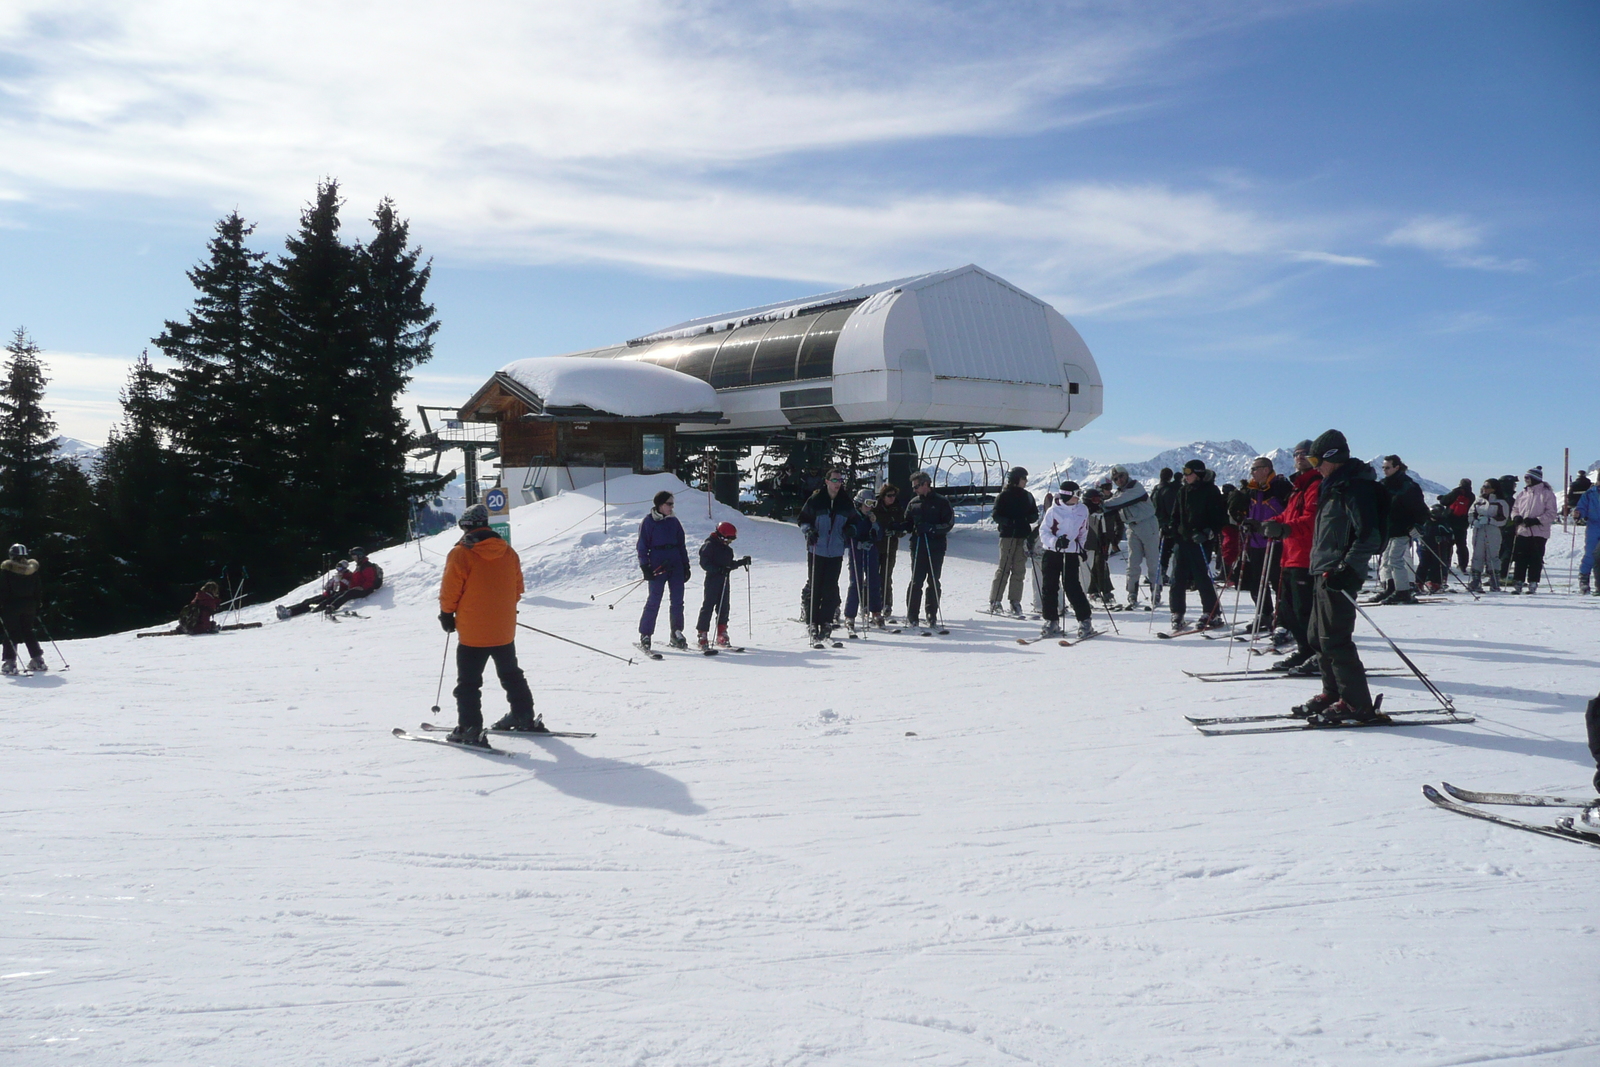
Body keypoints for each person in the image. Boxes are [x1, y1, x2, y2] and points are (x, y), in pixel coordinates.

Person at [1295, 429, 1385, 725]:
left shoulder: (1354, 487)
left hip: (1340, 573)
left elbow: (1370, 536)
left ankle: (1356, 703)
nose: (1313, 465)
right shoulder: (1332, 486)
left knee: (1335, 639)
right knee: (1316, 638)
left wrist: (1347, 568)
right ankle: (1332, 692)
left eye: (1316, 459)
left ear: (1332, 457)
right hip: (1323, 570)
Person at [439, 503, 537, 744]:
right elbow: (518, 589)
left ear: (466, 527)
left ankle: (470, 728)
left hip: (473, 631)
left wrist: (446, 614)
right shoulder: (508, 551)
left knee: (469, 683)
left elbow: (451, 589)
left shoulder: (461, 553)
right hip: (504, 629)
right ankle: (523, 716)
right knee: (511, 674)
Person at [1262, 440, 1321, 674]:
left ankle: (1316, 654)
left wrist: (1285, 529)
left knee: (1304, 609)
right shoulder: (1299, 486)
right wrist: (1265, 525)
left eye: (1304, 454)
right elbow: (1287, 515)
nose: (1299, 457)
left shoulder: (1315, 484)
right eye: (1296, 454)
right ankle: (1305, 651)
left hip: (1305, 556)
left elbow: (1312, 518)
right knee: (1288, 610)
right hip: (1290, 555)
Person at [798, 469, 866, 642]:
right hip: (816, 549)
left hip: (836, 550)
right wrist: (809, 531)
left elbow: (856, 522)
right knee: (815, 585)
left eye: (840, 480)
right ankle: (812, 621)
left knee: (830, 586)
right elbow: (803, 519)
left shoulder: (845, 502)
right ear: (827, 481)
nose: (838, 483)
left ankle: (826, 620)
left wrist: (851, 530)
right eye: (834, 480)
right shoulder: (816, 500)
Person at [1168, 459, 1225, 632]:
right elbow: (1175, 514)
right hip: (1183, 540)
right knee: (1177, 577)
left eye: (1188, 472)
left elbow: (1220, 518)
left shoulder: (1211, 491)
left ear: (1198, 473)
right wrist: (1170, 528)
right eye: (1184, 472)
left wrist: (1207, 533)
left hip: (1200, 541)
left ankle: (1212, 611)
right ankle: (1177, 611)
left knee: (1201, 576)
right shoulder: (1183, 491)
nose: (1185, 476)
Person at [1238, 456, 1291, 633]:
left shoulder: (1280, 487)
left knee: (1278, 581)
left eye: (1255, 469)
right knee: (1256, 582)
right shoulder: (1252, 490)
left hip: (1275, 541)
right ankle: (1264, 614)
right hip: (1256, 541)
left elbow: (1287, 513)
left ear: (1266, 469)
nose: (1252, 472)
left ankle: (1284, 618)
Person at [1038, 481, 1096, 639]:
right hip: (1052, 552)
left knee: (1072, 586)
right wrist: (1055, 542)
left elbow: (1083, 531)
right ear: (1068, 495)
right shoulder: (1053, 511)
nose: (1079, 497)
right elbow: (1043, 532)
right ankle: (1051, 620)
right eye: (1077, 494)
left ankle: (1085, 620)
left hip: (1071, 553)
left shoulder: (1082, 510)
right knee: (1049, 586)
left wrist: (1081, 549)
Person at [1367, 455, 1426, 605]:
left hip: (1402, 528)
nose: (1385, 470)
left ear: (1396, 467)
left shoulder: (1408, 485)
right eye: (1383, 467)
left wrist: (1417, 524)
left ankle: (1403, 591)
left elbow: (1420, 508)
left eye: (1387, 467)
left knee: (1395, 559)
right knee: (1385, 560)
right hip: (1388, 529)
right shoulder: (1384, 485)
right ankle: (1390, 587)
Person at [638, 490, 692, 650]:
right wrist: (644, 566)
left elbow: (682, 545)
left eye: (672, 504)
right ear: (660, 505)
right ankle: (646, 634)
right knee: (654, 600)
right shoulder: (648, 522)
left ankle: (676, 632)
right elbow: (642, 546)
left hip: (675, 563)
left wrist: (686, 565)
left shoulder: (674, 522)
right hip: (657, 562)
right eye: (669, 504)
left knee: (677, 600)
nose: (671, 507)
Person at [902, 470, 955, 629]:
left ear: (926, 484)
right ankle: (912, 614)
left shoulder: (942, 502)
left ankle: (931, 613)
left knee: (933, 580)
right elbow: (908, 523)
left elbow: (949, 523)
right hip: (918, 546)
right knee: (916, 580)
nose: (915, 489)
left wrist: (932, 529)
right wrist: (899, 527)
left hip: (936, 547)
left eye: (917, 486)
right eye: (914, 487)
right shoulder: (913, 503)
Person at [1103, 464, 1160, 610]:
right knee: (1133, 562)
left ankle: (1156, 591)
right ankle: (1132, 592)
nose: (1119, 480)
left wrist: (1100, 504)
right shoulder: (1120, 493)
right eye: (1115, 478)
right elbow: (1112, 507)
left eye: (1121, 476)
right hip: (1132, 527)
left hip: (1147, 525)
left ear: (1126, 475)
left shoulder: (1135, 488)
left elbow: (1116, 503)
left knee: (1152, 561)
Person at [988, 466, 1039, 615]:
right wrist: (1009, 522)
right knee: (1004, 568)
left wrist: (1028, 519)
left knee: (1019, 570)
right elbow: (996, 515)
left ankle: (1015, 601)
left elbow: (1034, 514)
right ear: (1016, 479)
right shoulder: (1003, 496)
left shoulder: (1027, 496)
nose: (1026, 481)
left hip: (1022, 536)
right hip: (1008, 536)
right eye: (1024, 478)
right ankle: (995, 601)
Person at [277, 547, 380, 618]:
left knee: (317, 602)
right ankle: (288, 610)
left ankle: (291, 612)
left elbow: (368, 581)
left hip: (350, 591)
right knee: (309, 600)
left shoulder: (365, 567)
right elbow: (331, 585)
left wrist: (359, 586)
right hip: (334, 592)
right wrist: (333, 583)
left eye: (354, 556)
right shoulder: (358, 567)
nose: (353, 558)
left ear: (359, 555)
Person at [695, 521, 751, 649]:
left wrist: (742, 562)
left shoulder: (727, 550)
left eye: (731, 540)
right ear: (721, 535)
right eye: (727, 539)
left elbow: (728, 565)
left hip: (724, 580)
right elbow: (704, 563)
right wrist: (718, 569)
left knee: (724, 606)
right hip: (712, 580)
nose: (729, 542)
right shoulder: (709, 546)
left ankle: (722, 632)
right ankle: (702, 633)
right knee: (708, 605)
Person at [1508, 466, 1559, 594]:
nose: (1526, 480)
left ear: (1535, 478)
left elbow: (1552, 513)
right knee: (1520, 558)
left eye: (1527, 477)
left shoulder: (1546, 494)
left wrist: (1537, 520)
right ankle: (1518, 582)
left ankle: (1533, 583)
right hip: (1523, 531)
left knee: (1535, 559)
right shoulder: (1523, 493)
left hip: (1539, 532)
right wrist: (1516, 517)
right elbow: (1515, 509)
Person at [0, 544, 45, 674]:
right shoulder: (32, 571)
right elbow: (38, 590)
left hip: (11, 607)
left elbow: (3, 590)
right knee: (28, 631)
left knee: (11, 632)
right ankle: (38, 660)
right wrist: (37, 605)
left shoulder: (7, 571)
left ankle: (10, 662)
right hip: (30, 606)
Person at [843, 489, 883, 630]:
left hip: (870, 551)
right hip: (856, 551)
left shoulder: (871, 517)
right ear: (860, 503)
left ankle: (876, 612)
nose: (870, 507)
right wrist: (854, 537)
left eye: (873, 504)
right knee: (856, 582)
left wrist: (875, 525)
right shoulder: (852, 516)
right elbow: (846, 536)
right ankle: (850, 615)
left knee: (874, 580)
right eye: (868, 503)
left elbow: (879, 535)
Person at [1466, 480, 1509, 593]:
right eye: (1484, 486)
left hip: (1493, 530)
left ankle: (1494, 581)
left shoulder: (1501, 502)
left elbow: (1504, 519)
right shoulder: (1479, 501)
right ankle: (1476, 580)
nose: (1484, 488)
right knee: (1477, 554)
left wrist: (1491, 520)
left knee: (1492, 555)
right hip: (1479, 529)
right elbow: (1471, 513)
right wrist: (1473, 521)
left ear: (1494, 488)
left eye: (1487, 486)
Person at [873, 483, 906, 621]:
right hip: (876, 546)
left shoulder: (898, 508)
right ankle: (869, 603)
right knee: (872, 576)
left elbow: (903, 526)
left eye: (894, 495)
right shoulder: (876, 506)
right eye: (889, 495)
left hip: (890, 546)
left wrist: (896, 532)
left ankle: (887, 604)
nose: (892, 498)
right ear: (883, 496)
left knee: (886, 575)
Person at [1438, 477, 1474, 571]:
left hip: (1450, 521)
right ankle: (1463, 566)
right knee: (1462, 545)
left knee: (1448, 545)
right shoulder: (1471, 496)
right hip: (1462, 523)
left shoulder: (1456, 492)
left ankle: (1446, 565)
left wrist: (1442, 498)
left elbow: (1444, 501)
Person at [1573, 477, 1600, 595]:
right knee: (1590, 553)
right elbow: (1582, 506)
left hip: (1594, 526)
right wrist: (1579, 513)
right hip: (1594, 526)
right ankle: (1584, 578)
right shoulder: (1590, 493)